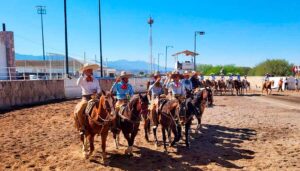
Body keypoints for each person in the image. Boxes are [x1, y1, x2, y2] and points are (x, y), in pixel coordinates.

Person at [75, 63, 101, 135]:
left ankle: (105, 124)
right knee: (79, 111)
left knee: (104, 107)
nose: (90, 71)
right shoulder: (82, 79)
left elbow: (99, 88)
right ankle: (82, 126)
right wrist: (82, 75)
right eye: (88, 70)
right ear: (85, 71)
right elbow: (77, 83)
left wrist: (97, 91)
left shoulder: (95, 79)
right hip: (85, 98)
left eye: (91, 70)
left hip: (95, 96)